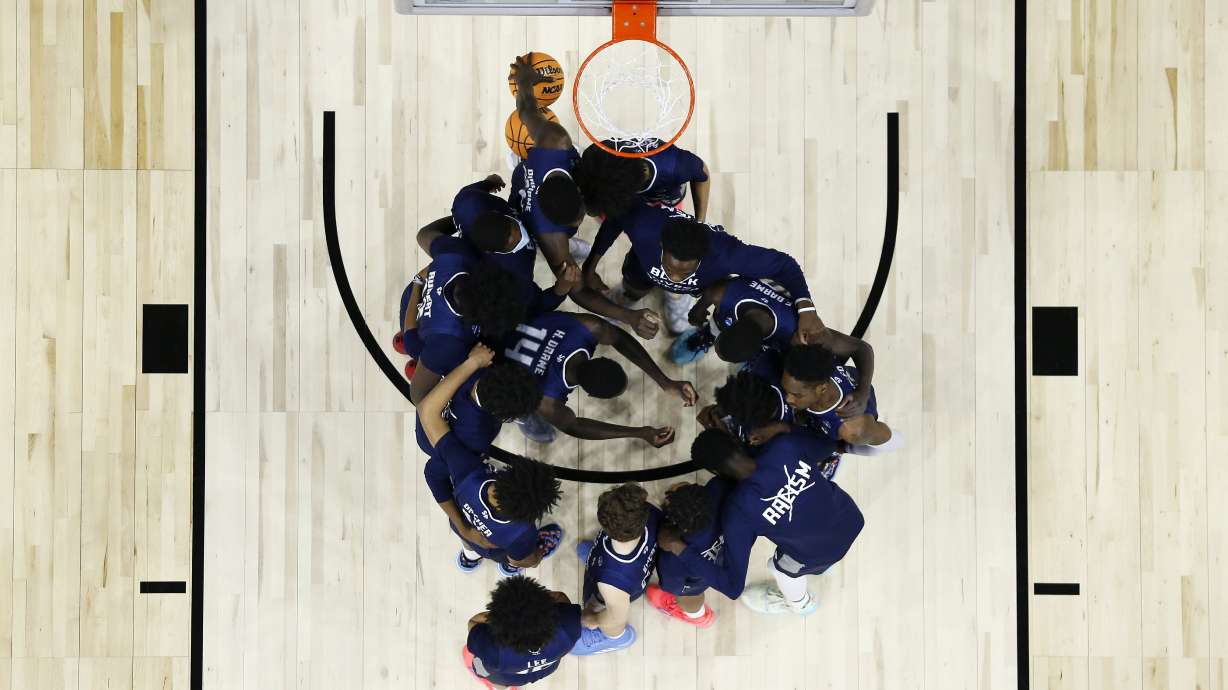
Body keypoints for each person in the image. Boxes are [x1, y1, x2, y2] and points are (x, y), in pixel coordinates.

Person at [507, 55, 662, 341]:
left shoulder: (554, 140)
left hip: (532, 179)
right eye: (586, 216)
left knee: (576, 254)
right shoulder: (552, 238)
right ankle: (576, 251)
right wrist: (628, 316)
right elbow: (576, 291)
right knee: (568, 262)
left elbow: (526, 107)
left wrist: (525, 81)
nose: (584, 219)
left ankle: (580, 250)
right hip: (526, 225)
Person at [659, 422, 863, 617]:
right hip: (850, 516)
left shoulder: (738, 512)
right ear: (736, 440)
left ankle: (800, 603)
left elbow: (733, 586)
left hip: (818, 554)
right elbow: (830, 446)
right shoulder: (785, 445)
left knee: (779, 568)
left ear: (715, 472)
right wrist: (785, 428)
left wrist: (678, 547)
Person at [418, 343, 565, 578]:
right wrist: (533, 557)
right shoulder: (522, 533)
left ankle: (469, 556)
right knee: (515, 559)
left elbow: (432, 470)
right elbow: (528, 559)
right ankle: (508, 568)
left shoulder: (468, 471)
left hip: (464, 525)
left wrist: (466, 530)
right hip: (496, 547)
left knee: (472, 544)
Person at [582, 201, 828, 337]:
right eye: (671, 267)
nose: (675, 276)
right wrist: (590, 265)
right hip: (642, 267)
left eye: (684, 272)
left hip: (700, 288)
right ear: (661, 244)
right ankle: (626, 297)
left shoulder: (727, 254)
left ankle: (676, 296)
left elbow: (784, 265)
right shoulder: (644, 225)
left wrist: (806, 308)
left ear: (703, 256)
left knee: (681, 301)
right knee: (632, 287)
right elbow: (615, 218)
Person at [501, 310, 697, 444]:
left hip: (505, 318)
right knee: (534, 418)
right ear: (590, 395)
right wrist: (639, 433)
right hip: (497, 360)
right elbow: (573, 426)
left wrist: (665, 382)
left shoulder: (590, 327)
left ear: (602, 358)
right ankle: (523, 418)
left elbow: (618, 337)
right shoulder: (546, 400)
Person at [406, 234, 555, 405]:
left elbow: (423, 235)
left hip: (428, 294)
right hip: (419, 313)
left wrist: (424, 276)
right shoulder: (448, 342)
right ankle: (427, 366)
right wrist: (471, 365)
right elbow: (418, 396)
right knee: (414, 347)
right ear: (477, 319)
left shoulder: (455, 255)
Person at [415, 357, 543, 507]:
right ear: (500, 415)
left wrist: (474, 362)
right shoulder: (477, 439)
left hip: (431, 405)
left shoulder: (479, 360)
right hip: (433, 441)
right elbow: (434, 473)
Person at [572, 483, 661, 655]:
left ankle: (615, 638)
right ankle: (594, 558)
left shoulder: (610, 584)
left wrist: (594, 618)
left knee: (596, 607)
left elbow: (617, 617)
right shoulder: (645, 512)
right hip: (628, 568)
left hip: (612, 588)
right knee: (592, 556)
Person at [462, 576, 582, 689]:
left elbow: (473, 622)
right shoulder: (569, 625)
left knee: (481, 669)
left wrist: (499, 616)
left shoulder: (494, 652)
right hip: (547, 668)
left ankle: (503, 687)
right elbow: (560, 597)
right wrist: (537, 600)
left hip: (507, 674)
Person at [780, 343, 898, 456]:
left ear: (822, 389)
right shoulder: (811, 360)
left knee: (857, 437)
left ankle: (841, 450)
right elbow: (860, 346)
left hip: (857, 422)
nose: (788, 398)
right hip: (843, 389)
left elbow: (863, 348)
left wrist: (840, 448)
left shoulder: (853, 429)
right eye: (787, 391)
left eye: (796, 395)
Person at [644, 478, 733, 628]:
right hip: (727, 557)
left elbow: (673, 587)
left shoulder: (672, 558)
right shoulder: (719, 488)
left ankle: (697, 617)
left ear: (671, 523)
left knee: (689, 597)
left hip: (697, 579)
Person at [668, 276, 799, 364]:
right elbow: (702, 305)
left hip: (780, 316)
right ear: (734, 322)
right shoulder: (723, 293)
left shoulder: (794, 334)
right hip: (748, 289)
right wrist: (697, 312)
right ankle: (707, 335)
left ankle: (756, 362)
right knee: (718, 323)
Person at [574, 140, 711, 221]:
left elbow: (703, 173)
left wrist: (700, 222)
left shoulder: (675, 167)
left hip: (666, 195)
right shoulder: (598, 152)